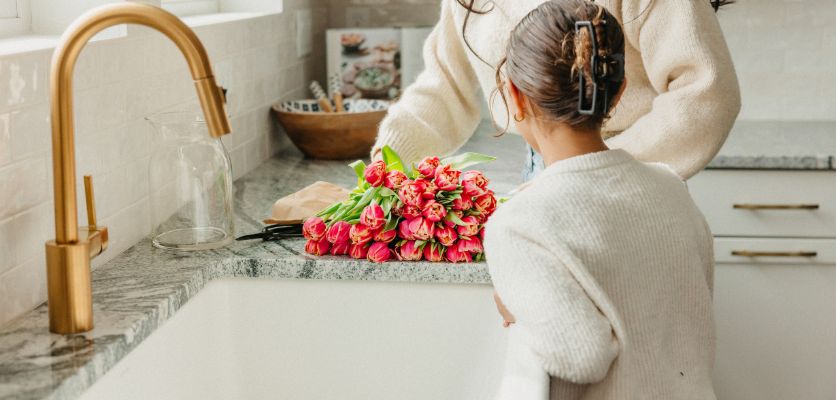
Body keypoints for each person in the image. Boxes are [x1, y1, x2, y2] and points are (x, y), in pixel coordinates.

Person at [483, 1, 716, 398]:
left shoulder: (519, 222)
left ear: (515, 97)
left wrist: (521, 310)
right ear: (620, 91)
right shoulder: (670, 186)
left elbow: (581, 356)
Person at [371, 0, 739, 181]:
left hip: (636, 167)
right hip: (542, 168)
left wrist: (597, 170)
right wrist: (384, 169)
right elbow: (443, 87)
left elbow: (706, 93)